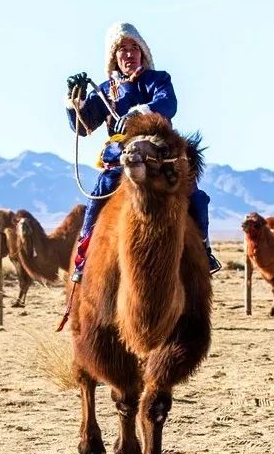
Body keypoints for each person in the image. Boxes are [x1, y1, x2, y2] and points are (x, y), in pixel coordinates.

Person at [66, 21, 221, 282]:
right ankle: (84, 260)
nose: (129, 53)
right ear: (114, 57)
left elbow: (168, 104)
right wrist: (75, 101)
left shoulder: (158, 80)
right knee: (96, 202)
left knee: (197, 199)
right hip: (120, 160)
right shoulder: (106, 91)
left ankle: (203, 253)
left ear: (143, 52)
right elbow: (83, 127)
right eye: (122, 49)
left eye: (133, 47)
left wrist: (139, 112)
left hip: (161, 159)